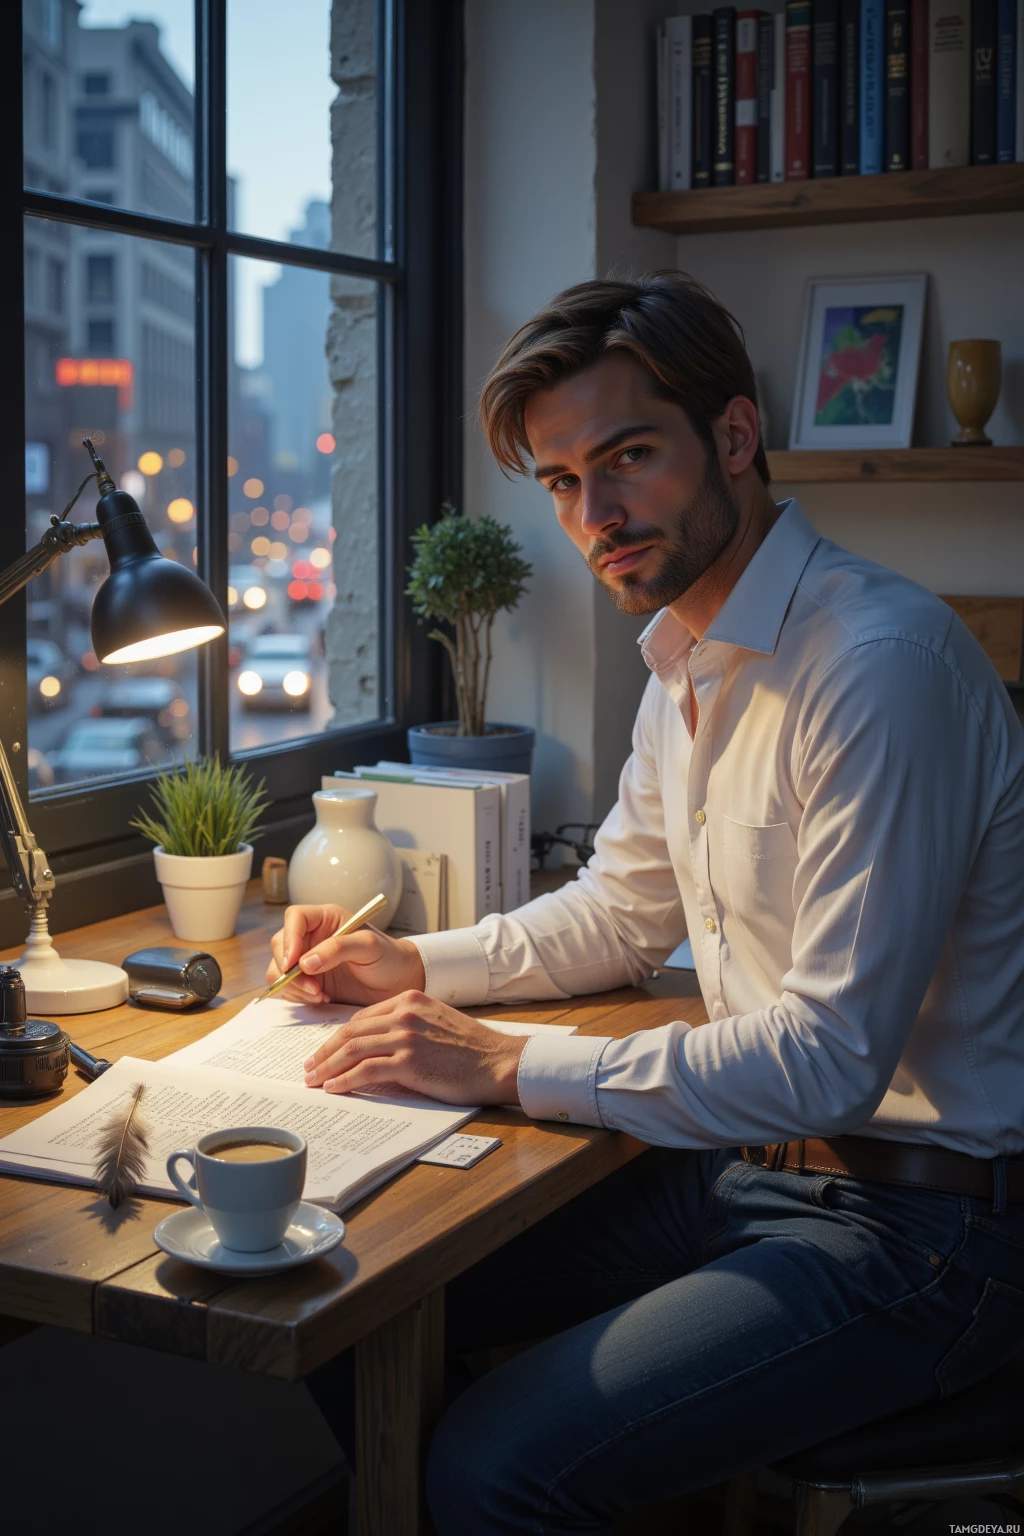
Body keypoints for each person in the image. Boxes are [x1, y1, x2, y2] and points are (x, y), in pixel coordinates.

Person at [268, 273, 1024, 1535]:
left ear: (733, 437)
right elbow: (616, 915)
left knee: (496, 1470)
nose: (594, 514)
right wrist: (410, 967)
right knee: (349, 1299)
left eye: (625, 457)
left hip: (924, 1229)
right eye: (562, 482)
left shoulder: (876, 670)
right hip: (745, 1171)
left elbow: (830, 1060)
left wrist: (506, 1065)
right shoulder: (689, 654)